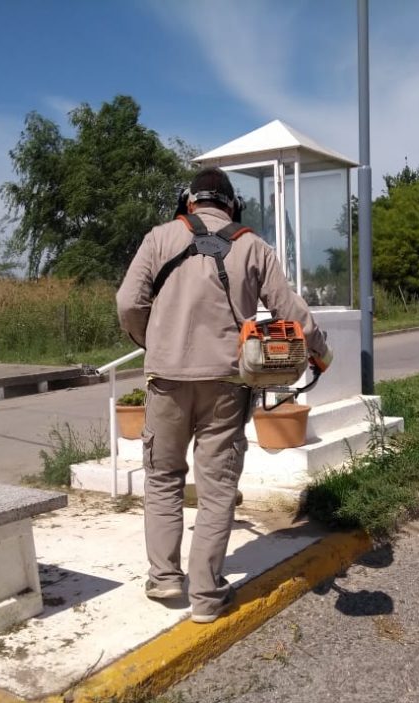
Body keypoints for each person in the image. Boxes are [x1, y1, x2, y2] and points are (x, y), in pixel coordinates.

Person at [117, 167, 333, 623]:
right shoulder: (253, 246)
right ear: (232, 205)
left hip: (166, 383)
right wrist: (320, 352)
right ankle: (207, 597)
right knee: (216, 491)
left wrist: (152, 343)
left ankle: (164, 578)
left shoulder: (159, 238)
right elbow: (289, 310)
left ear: (188, 201)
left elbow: (128, 303)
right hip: (228, 385)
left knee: (162, 479)